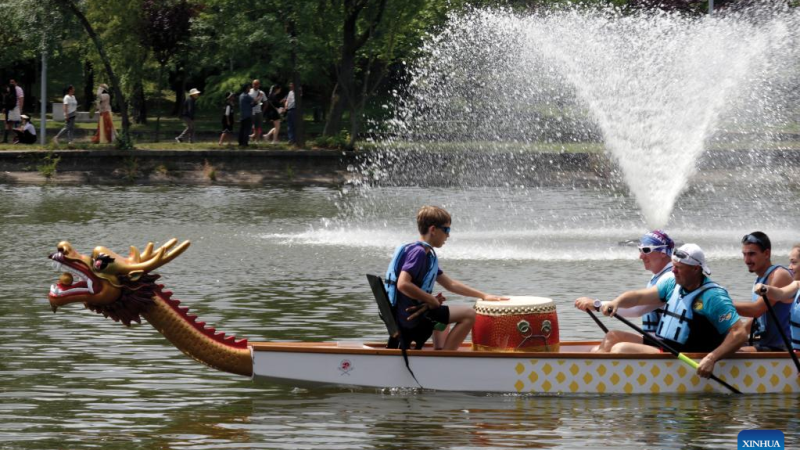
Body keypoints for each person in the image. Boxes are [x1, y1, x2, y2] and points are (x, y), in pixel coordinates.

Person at [578, 243, 747, 378]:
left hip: (685, 355)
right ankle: (593, 377)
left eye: (678, 268)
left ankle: (603, 383)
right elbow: (637, 297)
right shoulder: (673, 284)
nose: (672, 271)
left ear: (695, 269)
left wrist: (711, 359)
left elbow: (739, 334)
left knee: (621, 348)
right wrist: (616, 302)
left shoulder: (713, 297)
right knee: (612, 336)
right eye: (673, 266)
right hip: (664, 345)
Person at [386, 205, 507, 350]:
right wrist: (430, 300)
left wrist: (484, 295)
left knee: (444, 313)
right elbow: (403, 284)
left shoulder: (416, 250)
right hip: (411, 318)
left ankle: (439, 351)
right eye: (446, 230)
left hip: (407, 314)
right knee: (469, 314)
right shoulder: (419, 253)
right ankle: (447, 358)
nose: (448, 236)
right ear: (433, 230)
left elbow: (450, 284)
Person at [574, 230, 675, 352]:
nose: (641, 256)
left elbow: (636, 310)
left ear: (663, 252)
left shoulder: (670, 277)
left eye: (646, 250)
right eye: (640, 250)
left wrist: (597, 305)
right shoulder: (658, 276)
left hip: (667, 346)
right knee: (600, 346)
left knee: (614, 342)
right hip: (655, 340)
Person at [733, 232, 793, 351]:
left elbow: (757, 309)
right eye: (744, 254)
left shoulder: (779, 275)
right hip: (766, 344)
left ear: (766, 253)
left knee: (728, 353)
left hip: (783, 349)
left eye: (751, 254)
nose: (746, 260)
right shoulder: (759, 279)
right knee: (721, 346)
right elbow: (756, 318)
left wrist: (722, 304)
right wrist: (735, 336)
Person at [754, 244, 800, 351]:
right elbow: (780, 293)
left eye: (793, 262)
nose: (789, 267)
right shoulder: (797, 285)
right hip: (795, 353)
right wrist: (766, 289)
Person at [238, 82, 255, 147]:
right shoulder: (246, 96)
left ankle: (240, 142)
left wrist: (253, 104)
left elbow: (250, 104)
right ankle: (245, 143)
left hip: (242, 115)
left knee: (242, 129)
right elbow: (255, 101)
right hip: (248, 115)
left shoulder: (241, 96)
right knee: (247, 130)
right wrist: (259, 97)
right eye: (248, 88)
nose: (250, 89)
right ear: (246, 89)